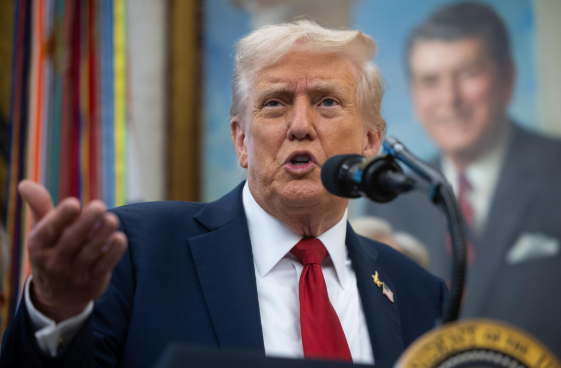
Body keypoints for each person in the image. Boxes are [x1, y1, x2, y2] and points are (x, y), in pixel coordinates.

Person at [0, 21, 446, 367]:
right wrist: (56, 310)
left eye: (328, 101)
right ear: (240, 142)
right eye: (275, 103)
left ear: (371, 140)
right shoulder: (137, 250)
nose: (300, 125)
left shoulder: (420, 295)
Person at [366, 2, 561, 355]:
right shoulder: (390, 199)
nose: (449, 99)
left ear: (508, 79)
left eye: (469, 73)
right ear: (413, 96)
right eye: (430, 81)